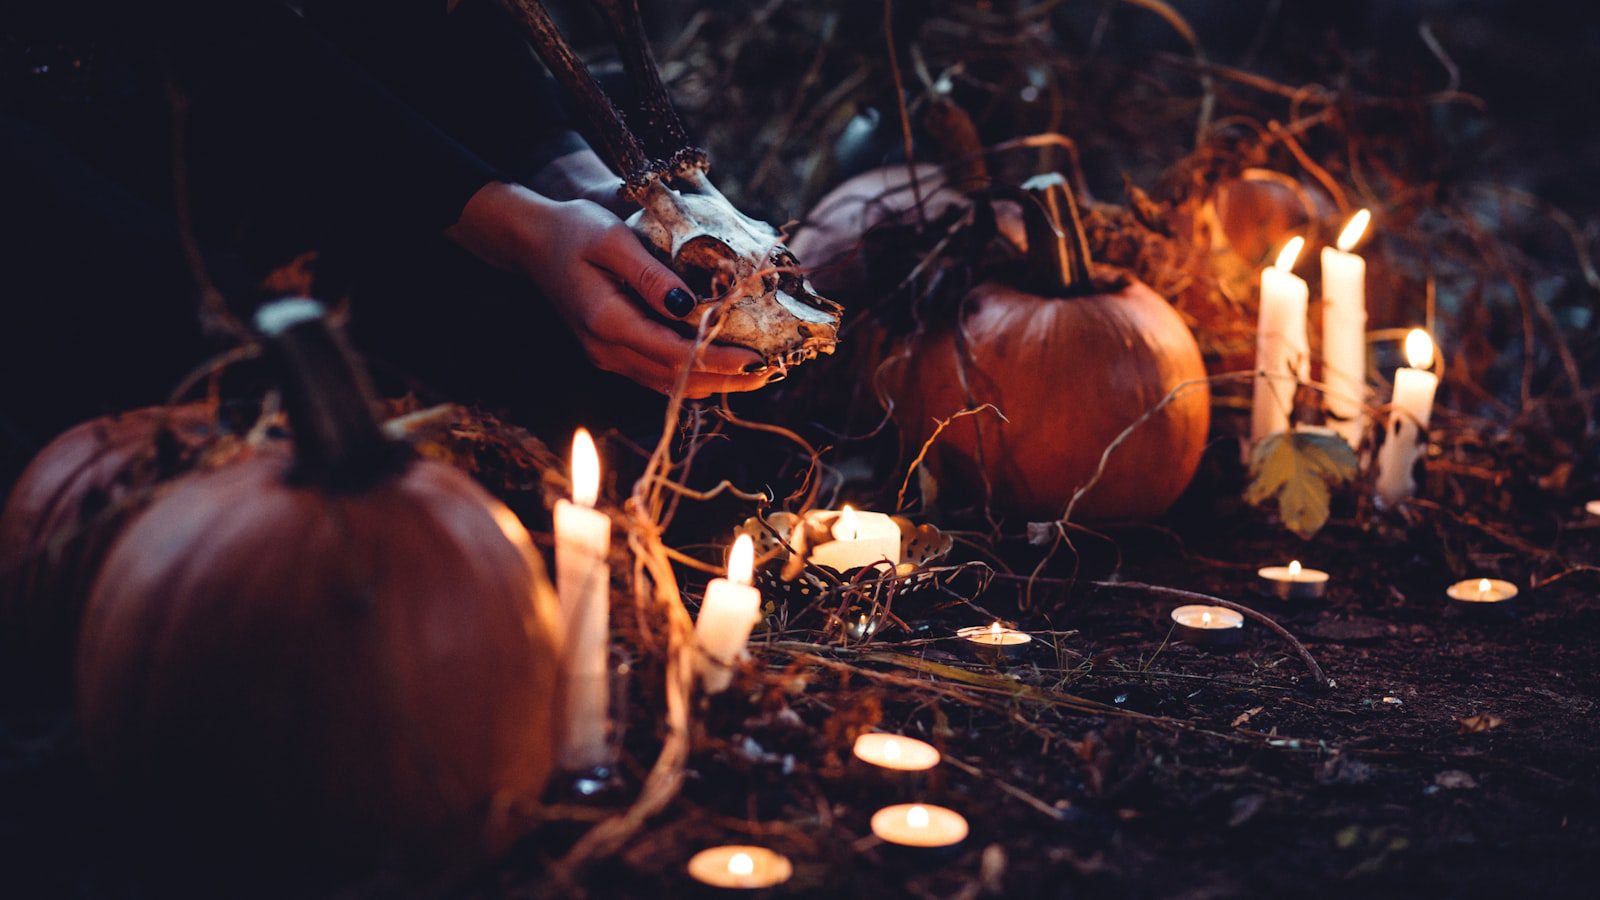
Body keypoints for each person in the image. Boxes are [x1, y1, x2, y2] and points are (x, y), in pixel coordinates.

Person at [0, 0, 768, 479]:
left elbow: (423, 24)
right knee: (255, 384)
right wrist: (516, 222)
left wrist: (573, 175)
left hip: (342, 132)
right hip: (76, 142)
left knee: (559, 353)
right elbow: (225, 42)